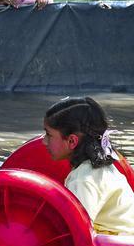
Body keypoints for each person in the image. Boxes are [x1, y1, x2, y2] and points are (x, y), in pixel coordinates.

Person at [44, 97, 134, 235]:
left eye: (48, 135)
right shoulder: (103, 167)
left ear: (72, 140)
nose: (44, 141)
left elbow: (78, 233)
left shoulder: (83, 180)